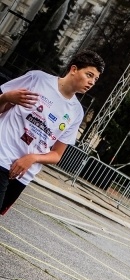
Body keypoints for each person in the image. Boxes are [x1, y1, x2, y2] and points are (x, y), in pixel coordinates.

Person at [0, 50, 105, 214]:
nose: (92, 82)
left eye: (95, 79)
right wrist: (5, 98)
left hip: (24, 174)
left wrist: (32, 158)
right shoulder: (38, 79)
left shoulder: (76, 112)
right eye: (89, 75)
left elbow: (56, 155)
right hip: (2, 156)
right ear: (74, 69)